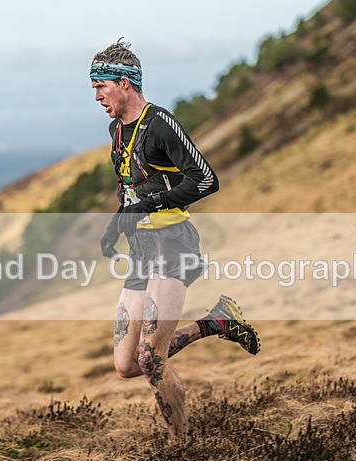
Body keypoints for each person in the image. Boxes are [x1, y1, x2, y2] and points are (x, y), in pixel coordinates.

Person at [90, 39, 260, 439]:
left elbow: (206, 179)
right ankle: (217, 322)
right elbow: (132, 189)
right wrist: (116, 225)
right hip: (141, 249)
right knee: (126, 364)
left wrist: (153, 204)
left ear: (125, 83)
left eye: (101, 87)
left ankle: (182, 448)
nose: (96, 96)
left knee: (151, 359)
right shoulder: (117, 130)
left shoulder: (160, 124)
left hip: (172, 243)